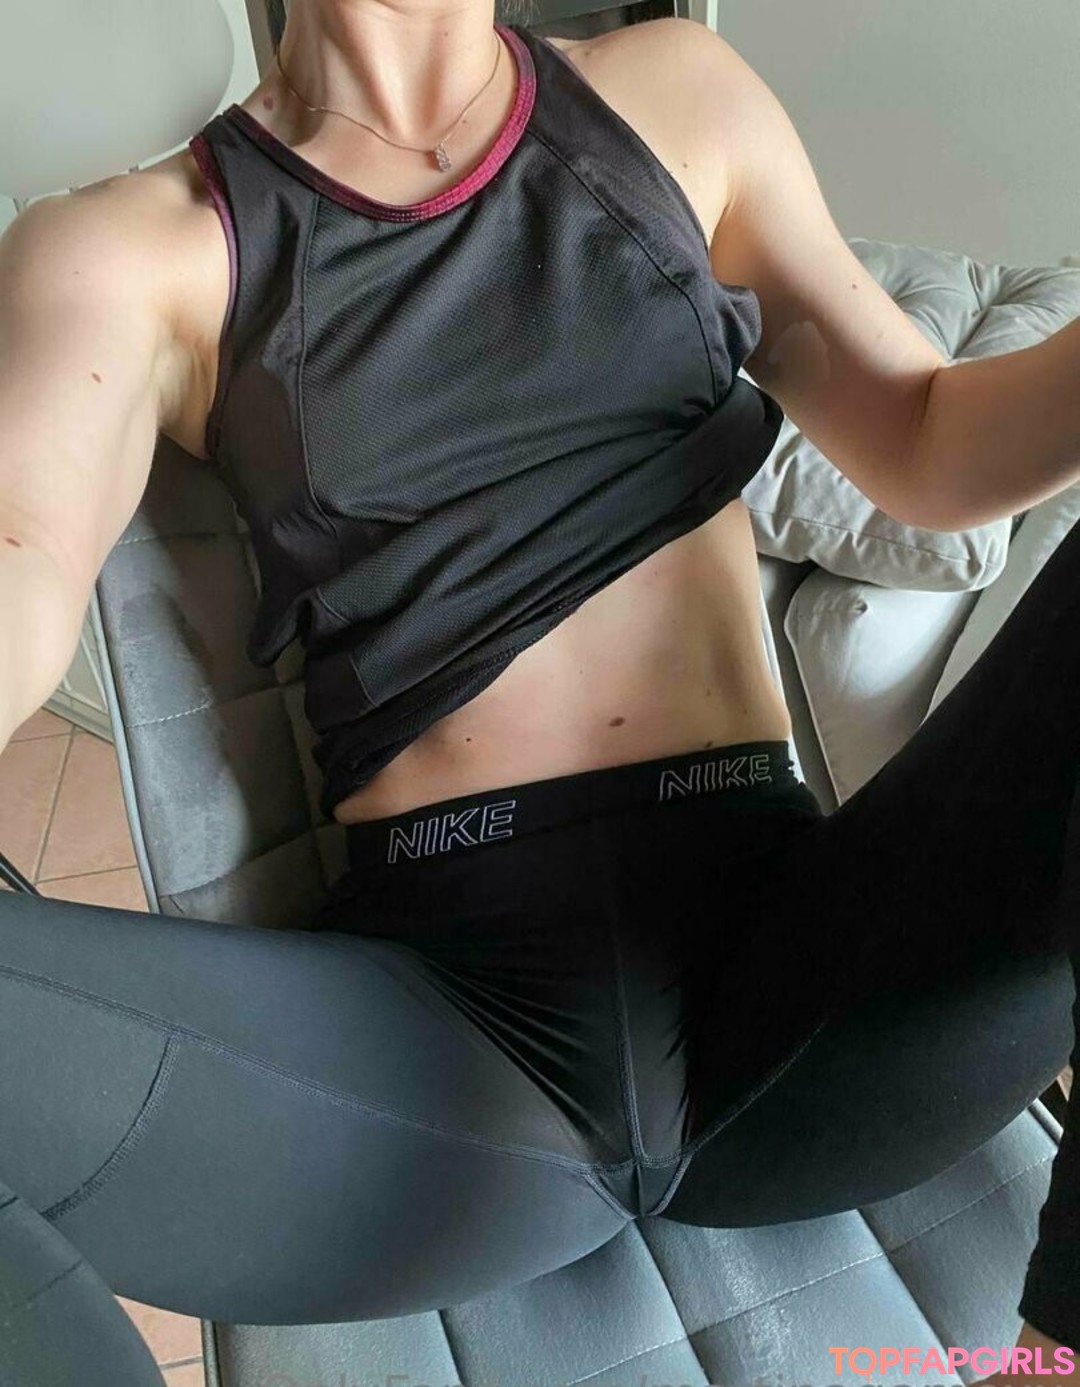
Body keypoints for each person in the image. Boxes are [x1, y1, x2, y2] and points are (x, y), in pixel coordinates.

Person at [1, 0, 1079, 1381]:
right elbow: (21, 563)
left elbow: (926, 441)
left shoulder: (674, 96)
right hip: (452, 1047)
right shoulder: (125, 248)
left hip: (811, 986)